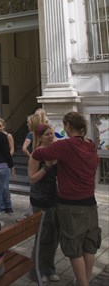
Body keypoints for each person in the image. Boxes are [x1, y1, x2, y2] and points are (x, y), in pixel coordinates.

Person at [32, 112, 101, 286]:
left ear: (68, 126)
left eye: (64, 126)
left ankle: (83, 283)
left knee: (73, 246)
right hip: (90, 203)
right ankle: (84, 280)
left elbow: (39, 155)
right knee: (89, 244)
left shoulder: (66, 145)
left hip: (71, 205)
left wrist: (48, 153)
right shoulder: (90, 144)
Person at [28, 124, 60, 283]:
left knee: (54, 236)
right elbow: (32, 178)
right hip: (40, 200)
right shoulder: (36, 154)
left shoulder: (54, 151)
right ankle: (36, 271)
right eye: (47, 134)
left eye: (52, 133)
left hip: (54, 198)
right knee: (42, 236)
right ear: (39, 137)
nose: (50, 136)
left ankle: (49, 268)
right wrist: (47, 167)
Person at [0, 118, 14, 214]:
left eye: (0, 126)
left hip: (6, 163)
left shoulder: (8, 136)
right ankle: (2, 205)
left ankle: (8, 205)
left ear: (4, 126)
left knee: (5, 186)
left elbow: (12, 149)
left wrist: (7, 158)